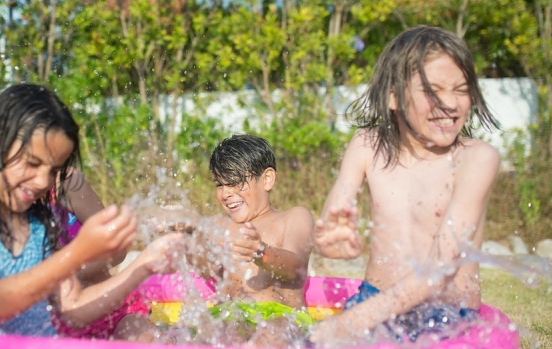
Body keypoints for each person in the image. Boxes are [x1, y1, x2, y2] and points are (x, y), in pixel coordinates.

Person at [0, 83, 182, 337]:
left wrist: (143, 265)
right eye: (31, 163)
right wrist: (78, 252)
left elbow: (72, 308)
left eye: (53, 170)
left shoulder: (38, 224)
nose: (43, 181)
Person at [310, 26, 501, 346]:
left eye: (461, 89)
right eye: (434, 90)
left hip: (446, 315)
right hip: (374, 296)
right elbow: (337, 205)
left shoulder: (476, 159)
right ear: (394, 95)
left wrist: (354, 320)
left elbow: (443, 263)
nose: (450, 103)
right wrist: (331, 239)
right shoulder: (367, 145)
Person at [186, 134, 315, 346]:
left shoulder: (292, 217)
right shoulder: (219, 226)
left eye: (235, 182)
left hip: (281, 318)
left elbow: (296, 267)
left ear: (267, 179)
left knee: (270, 337)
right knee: (200, 334)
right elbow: (205, 269)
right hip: (229, 317)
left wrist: (261, 252)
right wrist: (189, 235)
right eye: (219, 184)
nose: (226, 193)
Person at [49, 172, 175, 341]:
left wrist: (69, 278)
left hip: (112, 312)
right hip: (50, 326)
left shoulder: (66, 182)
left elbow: (116, 248)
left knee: (145, 339)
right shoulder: (9, 210)